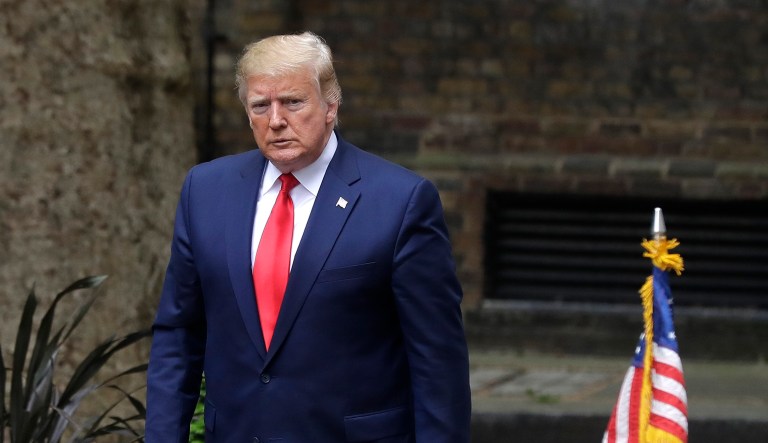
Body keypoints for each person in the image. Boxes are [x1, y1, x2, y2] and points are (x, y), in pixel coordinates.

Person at [145, 31, 471, 442]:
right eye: (261, 105)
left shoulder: (400, 201)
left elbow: (437, 360)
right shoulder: (206, 190)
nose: (276, 120)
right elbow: (179, 334)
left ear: (331, 104)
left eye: (293, 102)